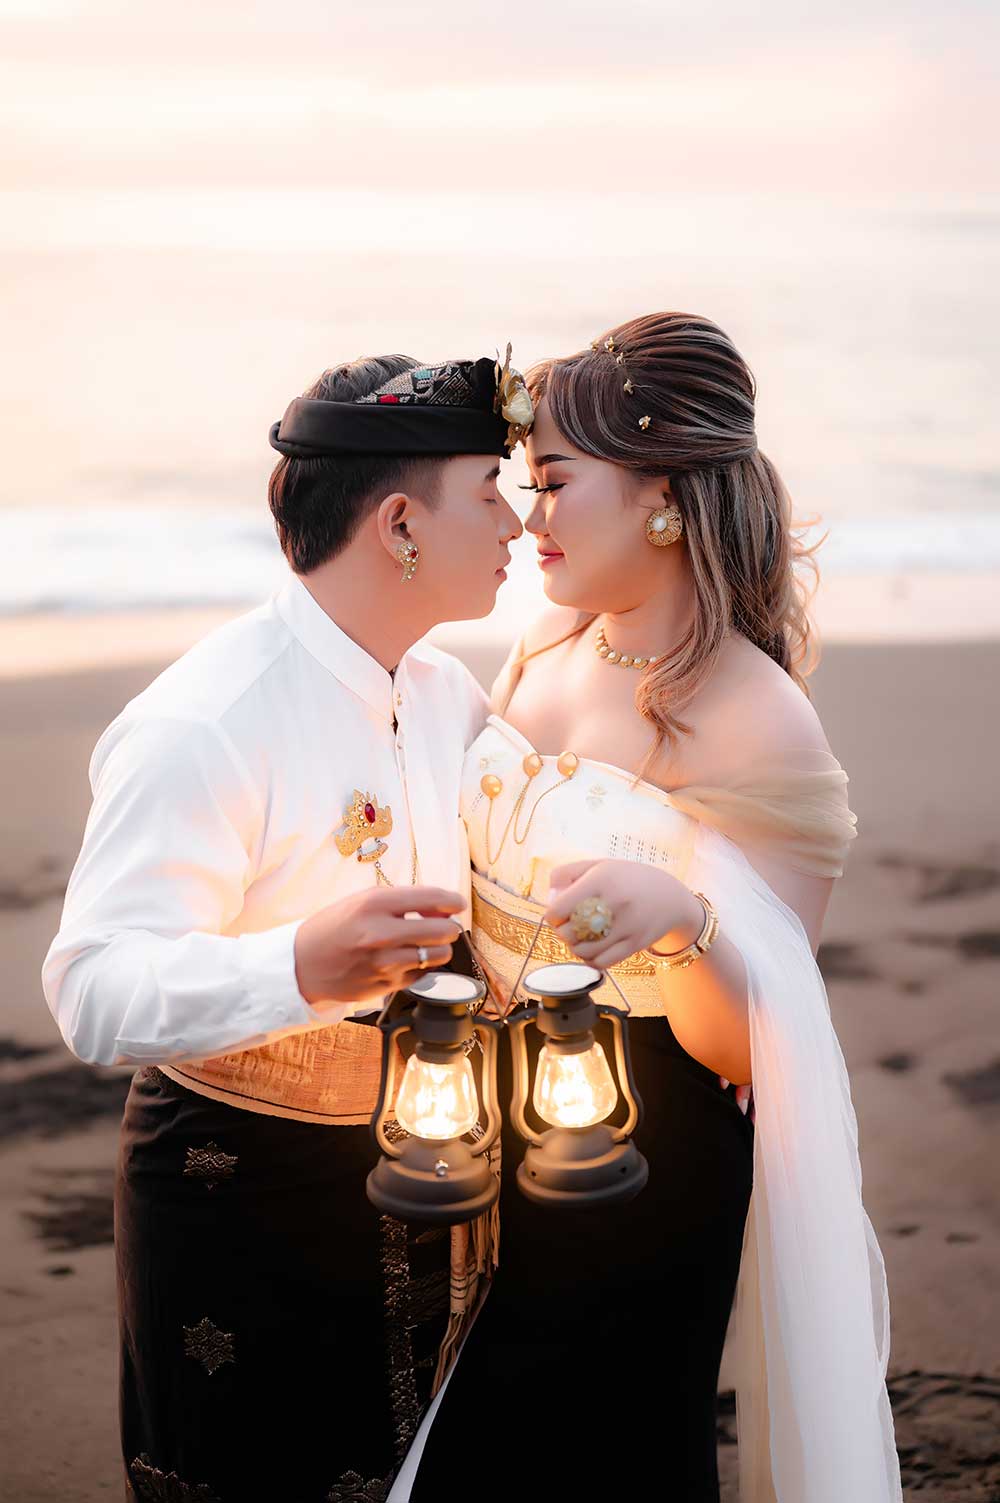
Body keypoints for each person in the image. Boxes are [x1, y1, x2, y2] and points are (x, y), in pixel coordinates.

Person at [410, 313, 903, 1501]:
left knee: (602, 1451)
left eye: (554, 483)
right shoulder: (549, 640)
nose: (526, 517)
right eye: (522, 486)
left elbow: (751, 1048)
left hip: (635, 1148)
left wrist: (679, 917)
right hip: (473, 1111)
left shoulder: (757, 716)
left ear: (663, 498)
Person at [41, 349, 528, 1502]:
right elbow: (94, 990)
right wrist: (298, 963)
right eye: (489, 492)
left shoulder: (447, 694)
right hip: (237, 1185)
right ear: (399, 524)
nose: (515, 523)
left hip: (431, 1163)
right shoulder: (205, 723)